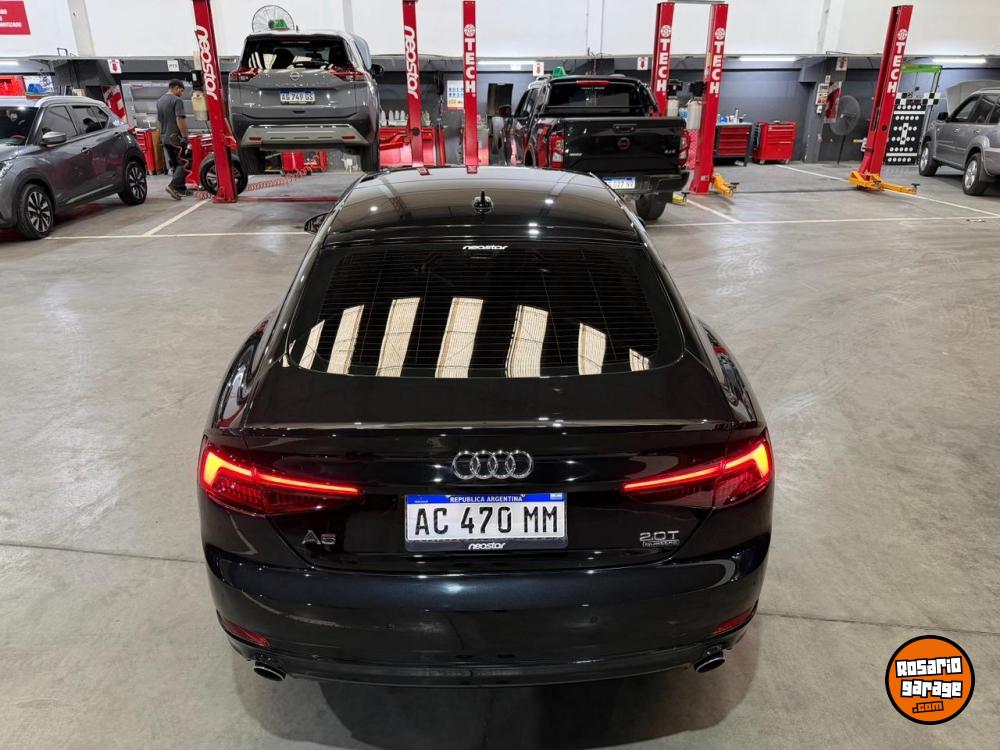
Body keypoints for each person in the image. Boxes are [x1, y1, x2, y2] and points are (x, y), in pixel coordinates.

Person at [156, 79, 191, 200]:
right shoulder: (177, 100)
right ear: (176, 88)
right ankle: (173, 186)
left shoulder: (160, 101)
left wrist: (161, 136)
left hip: (165, 138)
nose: (182, 94)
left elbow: (159, 121)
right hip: (176, 138)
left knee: (175, 164)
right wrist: (185, 137)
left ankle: (180, 189)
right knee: (186, 162)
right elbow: (179, 119)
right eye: (181, 91)